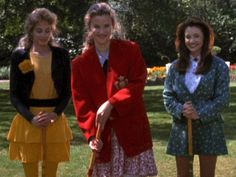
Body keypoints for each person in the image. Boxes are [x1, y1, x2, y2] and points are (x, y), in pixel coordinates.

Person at [71, 2, 158, 177]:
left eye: (106, 26)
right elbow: (82, 104)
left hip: (133, 132)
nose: (102, 31)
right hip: (104, 138)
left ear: (113, 25)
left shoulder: (130, 50)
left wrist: (112, 103)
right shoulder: (80, 64)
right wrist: (90, 136)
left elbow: (138, 83)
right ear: (89, 27)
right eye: (97, 26)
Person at [7, 8, 72, 177]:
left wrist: (56, 114)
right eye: (39, 30)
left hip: (54, 120)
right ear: (31, 31)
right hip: (28, 121)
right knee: (31, 173)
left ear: (53, 31)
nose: (44, 35)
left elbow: (67, 91)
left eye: (47, 31)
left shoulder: (62, 55)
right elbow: (14, 94)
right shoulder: (20, 56)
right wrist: (31, 118)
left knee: (50, 172)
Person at [163, 16, 230, 177]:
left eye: (196, 36)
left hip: (210, 129)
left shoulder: (219, 66)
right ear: (182, 39)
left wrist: (199, 113)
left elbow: (223, 98)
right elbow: (168, 96)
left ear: (205, 38)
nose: (192, 40)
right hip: (182, 130)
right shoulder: (174, 67)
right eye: (188, 36)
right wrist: (181, 109)